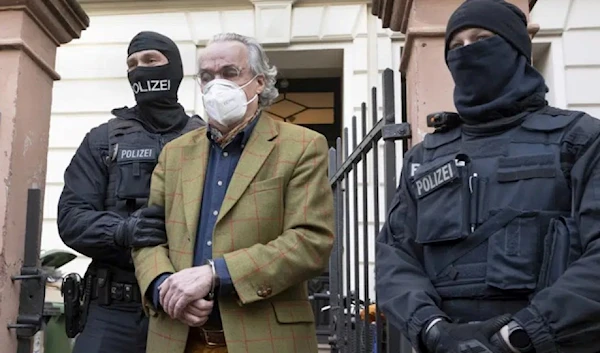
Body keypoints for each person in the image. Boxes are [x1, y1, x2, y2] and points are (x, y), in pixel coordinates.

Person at [375, 1, 600, 353]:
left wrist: (520, 334)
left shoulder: (581, 138)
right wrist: (434, 331)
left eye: (481, 38)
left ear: (514, 49)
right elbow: (395, 258)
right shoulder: (424, 156)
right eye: (456, 46)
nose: (468, 51)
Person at [132, 32, 335, 353]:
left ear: (259, 82)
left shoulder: (301, 146)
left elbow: (310, 242)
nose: (216, 85)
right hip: (179, 336)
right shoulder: (175, 153)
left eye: (229, 73)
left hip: (265, 337)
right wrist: (163, 287)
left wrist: (216, 274)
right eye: (207, 77)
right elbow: (148, 237)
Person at [57, 31, 204, 353]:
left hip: (187, 304)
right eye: (132, 64)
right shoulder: (102, 139)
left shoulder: (207, 138)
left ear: (174, 69)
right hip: (113, 309)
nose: (140, 69)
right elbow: (71, 219)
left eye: (151, 60)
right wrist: (123, 231)